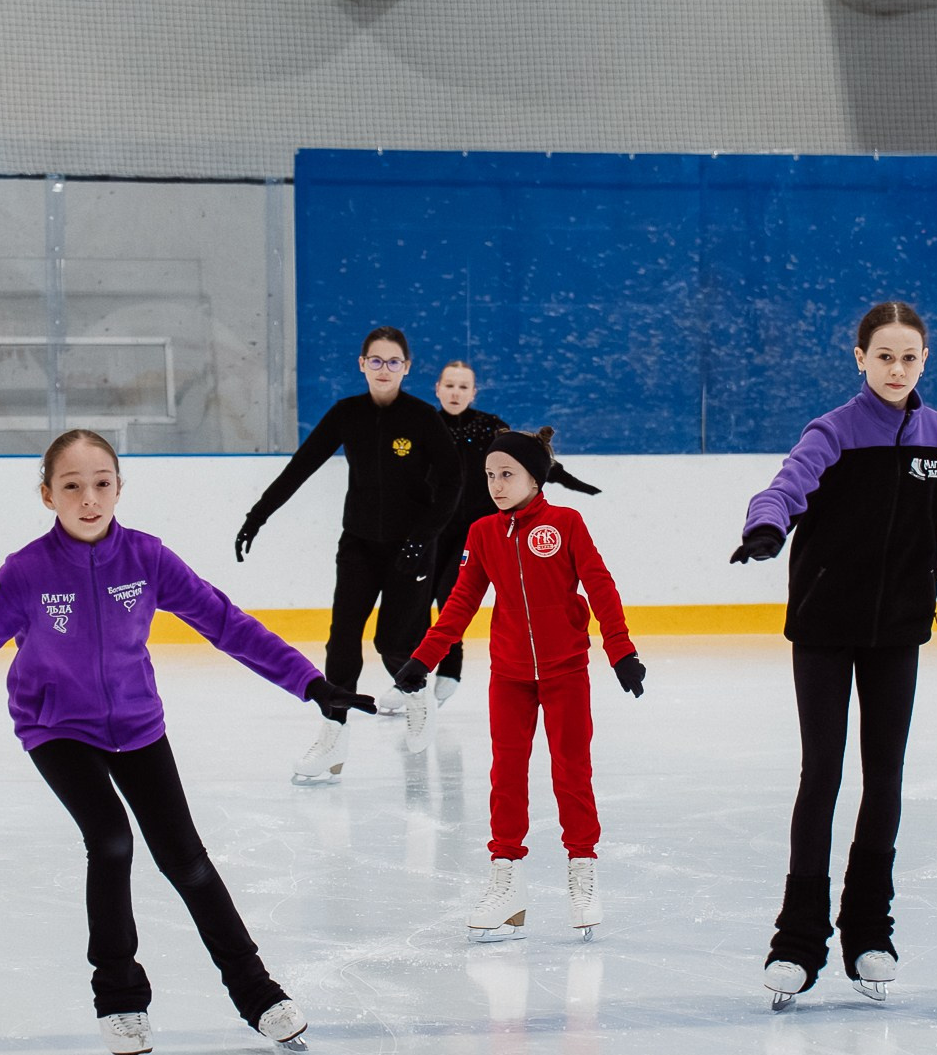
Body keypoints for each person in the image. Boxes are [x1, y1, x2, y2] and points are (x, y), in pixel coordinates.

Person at [0, 429, 374, 1055]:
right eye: (72, 485)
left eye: (102, 482)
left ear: (119, 488)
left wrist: (309, 683)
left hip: (137, 725)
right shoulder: (23, 575)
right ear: (47, 494)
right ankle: (118, 999)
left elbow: (227, 623)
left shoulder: (148, 559)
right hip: (57, 728)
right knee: (109, 839)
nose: (89, 497)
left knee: (186, 859)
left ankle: (257, 992)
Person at [731, 301, 937, 1010]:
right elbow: (786, 486)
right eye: (883, 355)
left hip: (898, 633)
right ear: (859, 358)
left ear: (924, 360)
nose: (895, 368)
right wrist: (767, 528)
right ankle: (796, 943)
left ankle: (867, 933)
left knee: (883, 777)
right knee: (822, 774)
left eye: (908, 357)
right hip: (824, 631)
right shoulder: (832, 431)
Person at [393, 427, 645, 941]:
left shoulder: (565, 523)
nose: (496, 485)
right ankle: (506, 883)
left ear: (535, 475)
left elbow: (600, 585)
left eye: (507, 474)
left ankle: (582, 871)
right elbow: (461, 601)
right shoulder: (483, 532)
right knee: (506, 776)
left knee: (571, 772)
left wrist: (621, 651)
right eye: (489, 475)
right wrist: (424, 659)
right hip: (509, 675)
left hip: (565, 671)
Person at [235, 327, 460, 784]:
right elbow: (301, 466)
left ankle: (416, 695)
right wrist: (257, 515)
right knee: (342, 640)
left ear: (407, 368)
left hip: (411, 547)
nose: (384, 369)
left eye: (393, 362)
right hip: (358, 544)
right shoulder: (347, 414)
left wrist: (424, 538)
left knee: (393, 644)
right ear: (361, 364)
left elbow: (454, 483)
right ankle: (333, 736)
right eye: (375, 361)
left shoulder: (421, 418)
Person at [427, 359, 602, 711]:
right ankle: (416, 670)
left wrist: (572, 482)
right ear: (437, 388)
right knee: (420, 600)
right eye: (449, 385)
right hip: (432, 528)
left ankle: (450, 668)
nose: (456, 392)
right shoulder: (424, 425)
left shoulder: (491, 426)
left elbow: (532, 457)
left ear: (474, 392)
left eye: (463, 386)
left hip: (478, 530)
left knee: (452, 597)